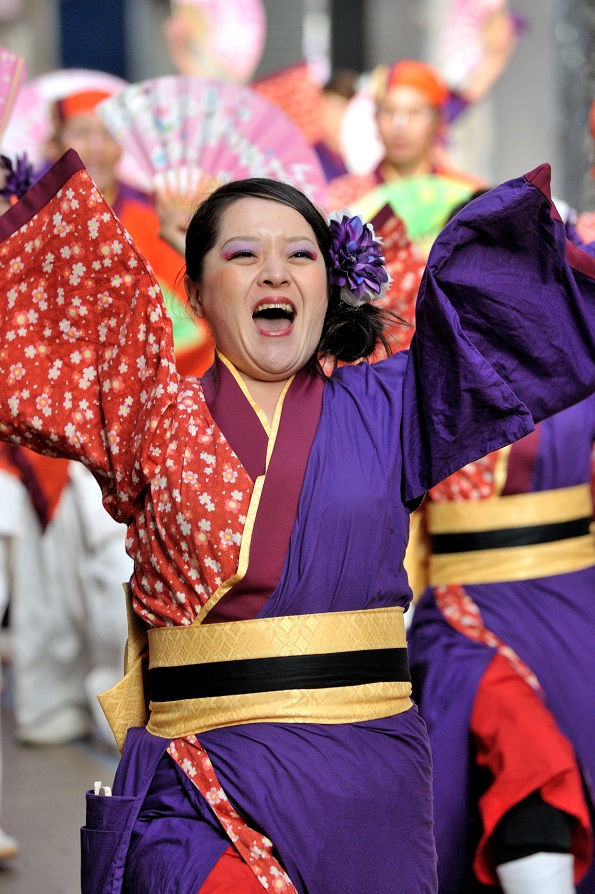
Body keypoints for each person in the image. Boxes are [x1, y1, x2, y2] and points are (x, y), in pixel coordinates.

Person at [0, 148, 595, 893]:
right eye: (242, 254)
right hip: (200, 780)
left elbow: (514, 327)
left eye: (300, 255)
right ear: (194, 292)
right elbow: (43, 332)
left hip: (368, 781)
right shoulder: (144, 412)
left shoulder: (397, 403)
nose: (274, 273)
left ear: (327, 284)